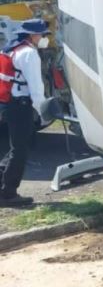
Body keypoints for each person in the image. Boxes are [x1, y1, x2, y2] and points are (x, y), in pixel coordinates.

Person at [0, 18, 50, 206]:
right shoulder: (29, 53)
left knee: (20, 146)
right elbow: (36, 86)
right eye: (42, 33)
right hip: (20, 105)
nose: (43, 37)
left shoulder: (10, 49)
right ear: (32, 34)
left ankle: (3, 184)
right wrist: (42, 109)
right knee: (20, 149)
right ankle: (8, 194)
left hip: (8, 103)